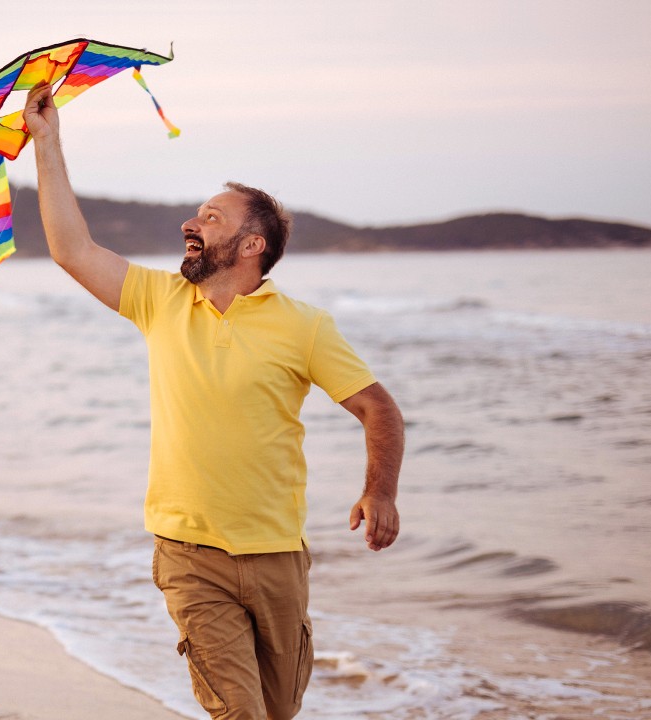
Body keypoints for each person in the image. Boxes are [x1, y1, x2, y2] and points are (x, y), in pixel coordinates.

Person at [23, 83, 405, 719]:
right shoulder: (162, 299)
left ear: (253, 246)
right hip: (188, 553)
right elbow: (71, 249)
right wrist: (47, 141)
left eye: (211, 218)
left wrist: (381, 490)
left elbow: (378, 410)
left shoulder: (304, 325)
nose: (190, 224)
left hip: (279, 552)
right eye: (196, 215)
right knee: (240, 714)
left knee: (278, 712)